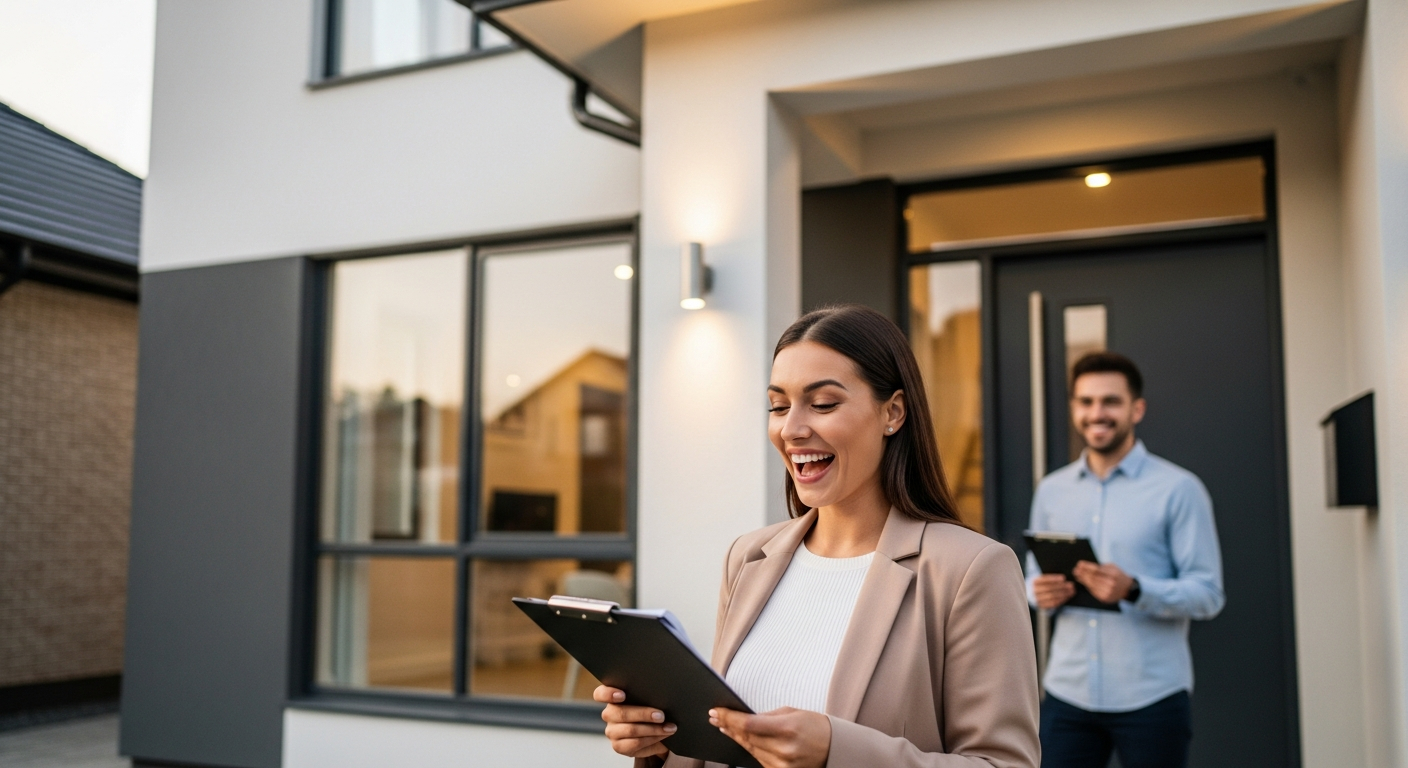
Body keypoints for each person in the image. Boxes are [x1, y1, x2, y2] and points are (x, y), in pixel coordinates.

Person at [596, 304, 1040, 768]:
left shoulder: (971, 570)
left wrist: (836, 751)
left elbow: (1004, 764)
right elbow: (723, 741)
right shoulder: (748, 558)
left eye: (823, 404)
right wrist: (662, 743)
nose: (791, 429)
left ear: (892, 412)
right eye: (778, 406)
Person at [1027, 352, 1224, 768]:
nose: (1097, 413)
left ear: (1137, 409)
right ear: (1074, 408)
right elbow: (1031, 578)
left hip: (1151, 698)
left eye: (1110, 401)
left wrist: (1134, 589)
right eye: (1086, 402)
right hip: (1067, 694)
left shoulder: (1179, 490)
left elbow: (1208, 593)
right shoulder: (1051, 490)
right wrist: (1036, 593)